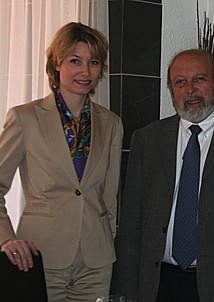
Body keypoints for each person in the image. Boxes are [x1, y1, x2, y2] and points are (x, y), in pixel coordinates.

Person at [112, 48, 214, 302]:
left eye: (199, 79)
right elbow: (132, 223)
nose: (190, 89)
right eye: (180, 82)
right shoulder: (147, 140)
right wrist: (126, 291)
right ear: (171, 89)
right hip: (156, 283)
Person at [0, 22, 123, 301]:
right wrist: (7, 239)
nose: (85, 71)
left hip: (96, 261)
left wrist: (108, 237)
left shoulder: (111, 124)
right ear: (57, 64)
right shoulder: (25, 118)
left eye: (93, 62)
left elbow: (110, 194)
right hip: (38, 256)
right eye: (74, 61)